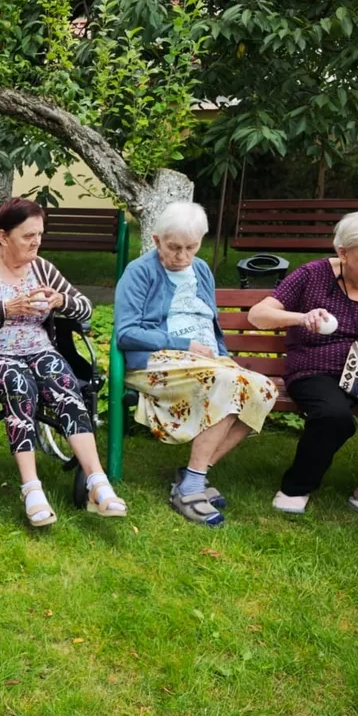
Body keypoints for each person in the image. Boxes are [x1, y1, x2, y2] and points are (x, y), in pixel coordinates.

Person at [0, 196, 126, 526]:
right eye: (28, 235)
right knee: (19, 384)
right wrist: (5, 309)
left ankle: (98, 482)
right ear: (3, 237)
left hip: (40, 350)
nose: (36, 241)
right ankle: (31, 488)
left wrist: (61, 300)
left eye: (39, 234)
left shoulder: (42, 268)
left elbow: (85, 307)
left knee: (65, 382)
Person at [248, 210, 358, 528]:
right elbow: (257, 315)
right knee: (333, 416)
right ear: (343, 252)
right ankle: (297, 487)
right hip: (317, 366)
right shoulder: (312, 275)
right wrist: (300, 317)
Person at [114, 201, 279, 526]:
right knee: (231, 385)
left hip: (207, 363)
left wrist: (222, 355)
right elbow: (126, 333)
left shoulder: (201, 270)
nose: (183, 257)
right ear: (157, 240)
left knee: (264, 390)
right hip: (157, 361)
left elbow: (211, 323)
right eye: (174, 248)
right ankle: (189, 487)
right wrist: (183, 344)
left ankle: (194, 474)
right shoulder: (140, 272)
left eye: (191, 247)